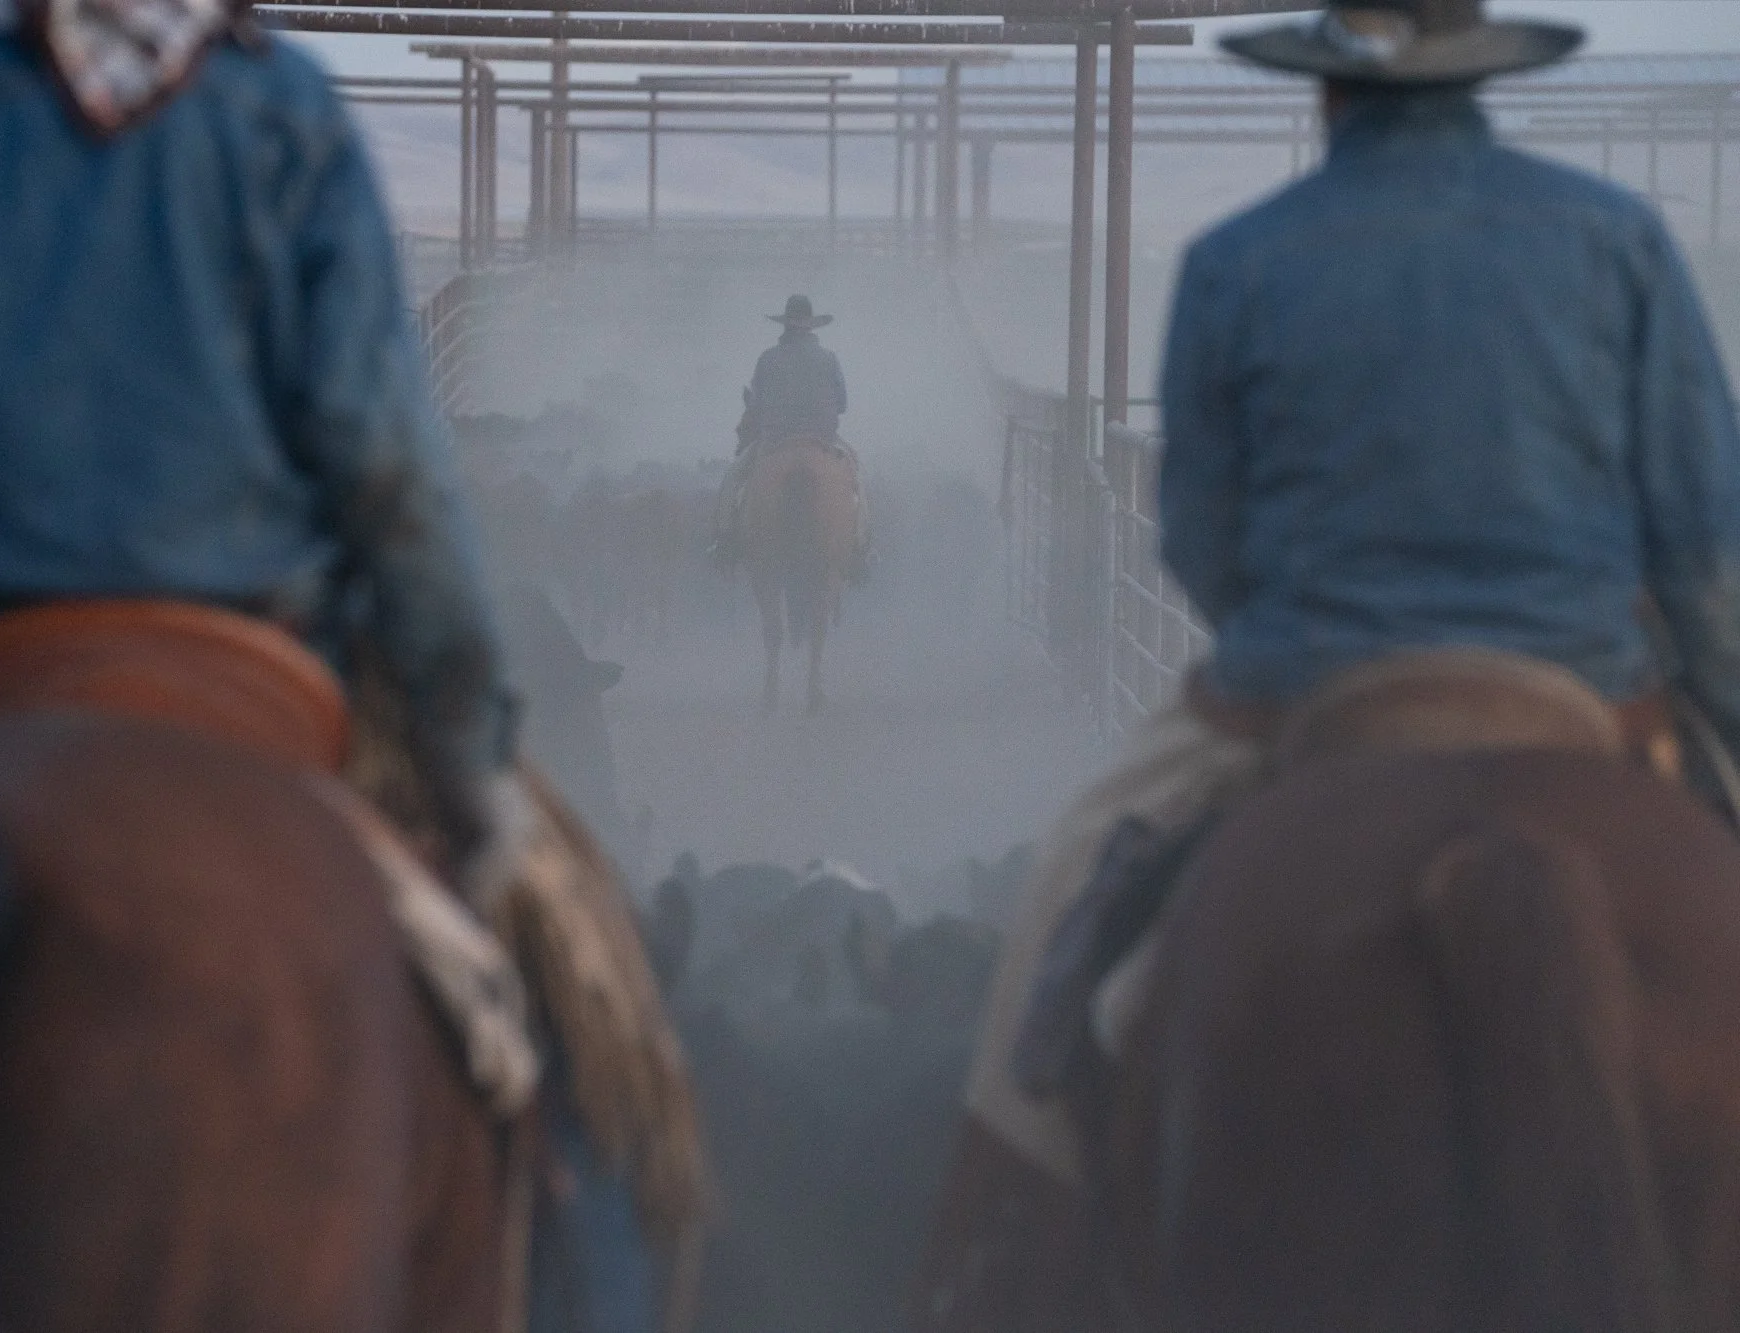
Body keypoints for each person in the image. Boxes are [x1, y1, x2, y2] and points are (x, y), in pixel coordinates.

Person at [0, 2, 690, 1329]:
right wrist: (468, 751)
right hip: (249, 650)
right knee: (565, 1043)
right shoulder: (280, 110)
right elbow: (384, 465)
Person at [964, 0, 1740, 1191]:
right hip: (1576, 677)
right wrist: (1714, 693)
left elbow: (1199, 535)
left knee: (1064, 908)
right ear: (1480, 78)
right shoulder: (1619, 239)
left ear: (1324, 87)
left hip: (1314, 680)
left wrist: (1275, 638)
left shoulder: (1239, 257)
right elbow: (1699, 535)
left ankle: (1008, 1250)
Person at [710, 294, 862, 569]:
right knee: (857, 480)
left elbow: (755, 404)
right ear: (811, 326)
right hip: (823, 439)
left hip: (775, 439)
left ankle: (725, 542)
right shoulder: (828, 359)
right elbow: (842, 404)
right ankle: (862, 547)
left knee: (733, 480)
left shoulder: (768, 359)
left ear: (785, 325)